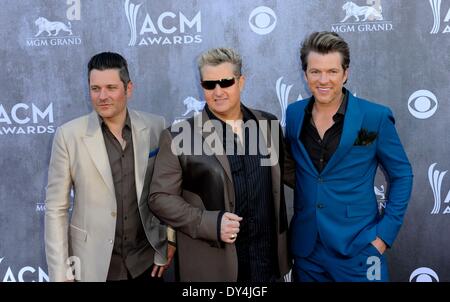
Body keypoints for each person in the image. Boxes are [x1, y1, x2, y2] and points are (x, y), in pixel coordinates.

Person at [148, 47, 290, 281]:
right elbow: (160, 198)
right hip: (215, 267)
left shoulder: (268, 123)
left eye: (226, 82)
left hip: (267, 265)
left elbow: (292, 174)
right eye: (209, 84)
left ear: (240, 81)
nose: (218, 91)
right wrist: (209, 223)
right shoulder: (179, 135)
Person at [285, 31, 413, 282]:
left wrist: (383, 237)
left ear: (345, 73)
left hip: (361, 249)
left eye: (332, 71)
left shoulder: (374, 117)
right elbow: (297, 170)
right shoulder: (294, 114)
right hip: (307, 251)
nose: (324, 80)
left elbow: (403, 174)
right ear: (305, 74)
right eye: (315, 71)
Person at [45, 52, 174, 282]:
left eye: (111, 87)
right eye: (95, 89)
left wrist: (169, 240)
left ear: (128, 88)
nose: (102, 96)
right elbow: (56, 209)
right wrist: (60, 272)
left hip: (146, 263)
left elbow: (170, 191)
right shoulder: (69, 136)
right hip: (92, 266)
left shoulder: (156, 126)